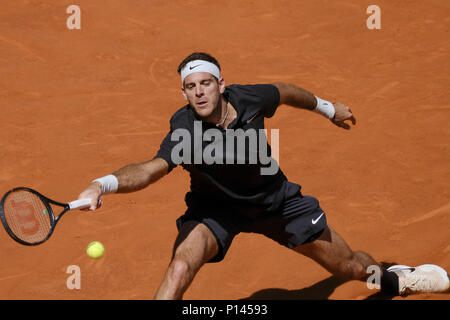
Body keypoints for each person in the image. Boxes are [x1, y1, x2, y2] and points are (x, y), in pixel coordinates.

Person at [78, 52, 449, 299]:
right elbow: (149, 169)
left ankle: (396, 279)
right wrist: (101, 185)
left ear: (222, 85)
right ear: (184, 93)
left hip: (276, 203)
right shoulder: (184, 130)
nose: (199, 92)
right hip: (215, 212)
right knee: (179, 268)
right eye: (191, 87)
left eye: (205, 83)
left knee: (350, 266)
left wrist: (327, 108)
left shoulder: (250, 99)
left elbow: (285, 92)